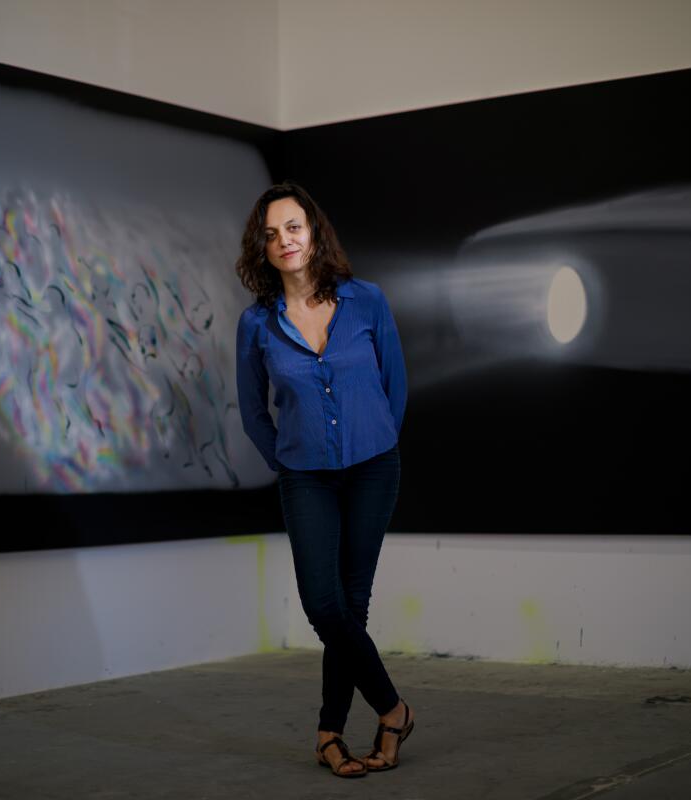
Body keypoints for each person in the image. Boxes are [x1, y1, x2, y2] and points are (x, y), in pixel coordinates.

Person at [234, 182, 414, 777]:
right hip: (305, 476)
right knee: (324, 603)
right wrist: (286, 458)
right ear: (261, 249)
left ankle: (329, 735)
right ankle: (393, 709)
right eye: (269, 234)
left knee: (352, 606)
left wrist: (378, 436)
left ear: (313, 232)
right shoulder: (256, 325)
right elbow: (254, 412)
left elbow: (396, 384)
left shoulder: (367, 301)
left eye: (292, 227)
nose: (283, 240)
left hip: (372, 469)